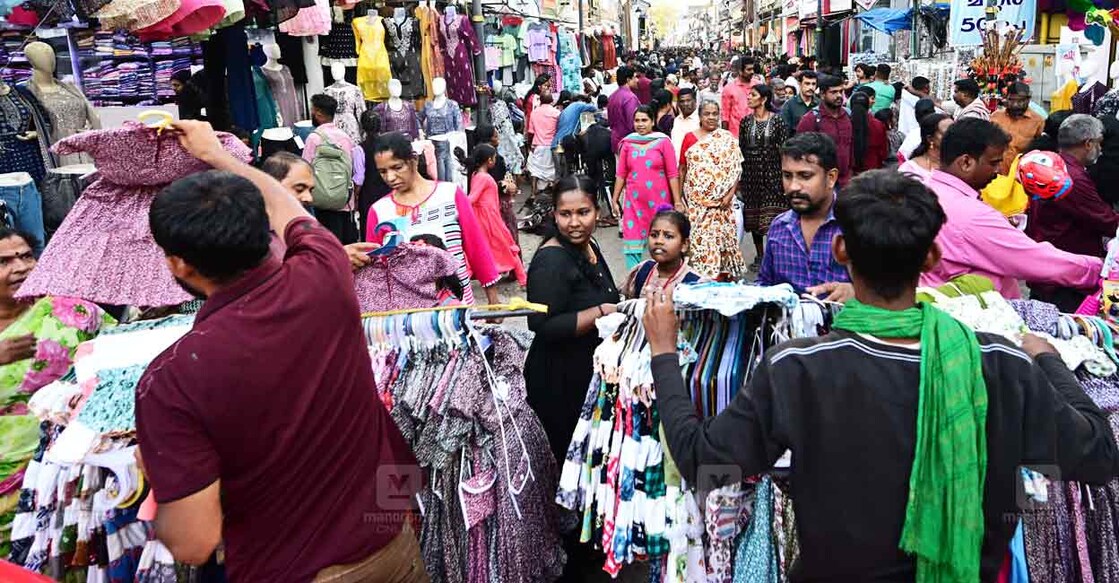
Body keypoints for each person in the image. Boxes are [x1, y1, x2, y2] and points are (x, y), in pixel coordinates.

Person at [645, 168, 1119, 582]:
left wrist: (664, 353)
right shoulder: (1002, 365)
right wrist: (1048, 359)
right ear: (931, 258)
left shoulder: (798, 369)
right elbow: (1097, 457)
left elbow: (702, 462)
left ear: (841, 250)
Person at [138, 120, 424, 582]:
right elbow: (287, 207)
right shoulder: (325, 271)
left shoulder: (170, 381)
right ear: (263, 231)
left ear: (178, 263)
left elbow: (194, 543)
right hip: (391, 547)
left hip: (292, 569)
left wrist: (157, 474)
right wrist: (218, 155)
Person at [921, 118, 1102, 298]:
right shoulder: (972, 215)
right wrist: (1099, 269)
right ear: (966, 162)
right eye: (993, 163)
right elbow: (1034, 261)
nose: (999, 171)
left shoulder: (923, 190)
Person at [525, 173, 619, 462]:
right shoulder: (551, 260)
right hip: (560, 382)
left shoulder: (589, 246)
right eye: (565, 214)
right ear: (555, 215)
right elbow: (541, 324)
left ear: (597, 212)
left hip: (585, 373)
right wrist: (602, 311)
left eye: (583, 212)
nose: (574, 222)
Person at [365, 132, 502, 305]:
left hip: (458, 308)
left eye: (397, 167)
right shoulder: (378, 211)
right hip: (407, 317)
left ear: (413, 161)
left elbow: (476, 246)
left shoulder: (450, 194)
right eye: (383, 171)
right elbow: (377, 269)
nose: (390, 177)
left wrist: (493, 297)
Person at [1026, 114, 1118, 311]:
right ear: (1088, 143)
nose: (1100, 150)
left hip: (1048, 266)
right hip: (1066, 274)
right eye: (1099, 144)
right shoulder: (1072, 178)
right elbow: (1107, 221)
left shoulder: (1054, 166)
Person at [756, 132, 853, 301]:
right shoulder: (779, 228)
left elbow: (891, 295)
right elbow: (764, 285)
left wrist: (856, 293)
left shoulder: (856, 226)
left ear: (831, 178)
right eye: (787, 176)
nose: (793, 186)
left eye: (805, 176)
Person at [678, 100, 745, 280]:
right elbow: (683, 169)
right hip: (697, 204)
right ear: (700, 116)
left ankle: (723, 281)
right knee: (701, 244)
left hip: (723, 204)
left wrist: (729, 195)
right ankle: (703, 280)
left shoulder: (727, 138)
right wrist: (679, 198)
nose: (711, 117)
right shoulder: (689, 138)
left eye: (715, 113)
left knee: (723, 243)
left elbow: (736, 169)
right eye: (707, 113)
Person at [613, 106, 682, 269]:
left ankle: (663, 280)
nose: (640, 124)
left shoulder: (663, 142)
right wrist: (615, 199)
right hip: (633, 202)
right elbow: (621, 174)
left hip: (660, 203)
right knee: (631, 245)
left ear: (652, 122)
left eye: (644, 120)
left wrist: (677, 201)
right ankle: (635, 282)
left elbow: (673, 174)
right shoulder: (627, 143)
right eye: (637, 120)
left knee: (662, 242)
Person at [735, 85, 791, 270]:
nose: (749, 97)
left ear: (764, 99)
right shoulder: (745, 122)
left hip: (773, 177)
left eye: (753, 95)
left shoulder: (778, 122)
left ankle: (775, 257)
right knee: (754, 218)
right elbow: (741, 150)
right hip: (751, 177)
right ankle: (760, 256)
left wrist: (786, 177)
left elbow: (784, 151)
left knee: (774, 219)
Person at [303, 94, 364, 244]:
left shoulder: (314, 138)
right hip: (344, 200)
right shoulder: (345, 137)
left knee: (329, 244)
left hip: (322, 201)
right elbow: (352, 168)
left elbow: (305, 168)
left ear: (317, 113)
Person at [465, 143, 526, 286]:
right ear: (489, 161)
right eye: (494, 158)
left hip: (487, 217)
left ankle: (519, 277)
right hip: (490, 219)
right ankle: (523, 278)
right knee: (509, 246)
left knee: (483, 250)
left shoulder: (476, 175)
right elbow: (472, 199)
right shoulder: (484, 178)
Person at [622, 206, 705, 297]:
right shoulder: (642, 270)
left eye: (668, 236)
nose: (659, 241)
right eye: (654, 235)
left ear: (684, 244)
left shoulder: (695, 284)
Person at [797, 74, 853, 187]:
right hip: (821, 182)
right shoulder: (811, 119)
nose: (839, 96)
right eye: (833, 92)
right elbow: (801, 152)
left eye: (841, 91)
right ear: (822, 94)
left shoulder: (848, 116)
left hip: (845, 181)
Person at [474, 124, 520, 246]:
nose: (498, 138)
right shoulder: (493, 162)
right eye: (495, 136)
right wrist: (506, 186)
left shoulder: (476, 157)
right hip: (496, 208)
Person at [990, 82, 1044, 175]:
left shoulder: (1038, 121)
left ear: (1028, 99)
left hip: (1019, 177)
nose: (1015, 104)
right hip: (994, 176)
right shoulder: (995, 116)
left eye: (1020, 101)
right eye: (1011, 100)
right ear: (1006, 98)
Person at [358, 110, 392, 235]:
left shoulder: (360, 149)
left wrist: (355, 198)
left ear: (363, 126)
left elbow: (359, 178)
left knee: (370, 228)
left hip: (368, 195)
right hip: (388, 191)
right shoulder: (389, 145)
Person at [526, 88, 561, 193]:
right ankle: (554, 193)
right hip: (552, 145)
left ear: (540, 100)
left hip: (538, 145)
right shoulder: (556, 113)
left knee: (534, 170)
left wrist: (530, 145)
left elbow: (531, 132)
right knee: (553, 171)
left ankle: (533, 192)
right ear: (551, 101)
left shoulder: (534, 113)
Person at [898, 113, 952, 181]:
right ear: (930, 139)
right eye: (948, 133)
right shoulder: (911, 170)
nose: (954, 136)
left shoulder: (960, 164)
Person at [851, 91, 888, 173]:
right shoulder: (878, 125)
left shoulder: (846, 124)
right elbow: (883, 153)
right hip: (873, 171)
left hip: (851, 172)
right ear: (868, 105)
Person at [608, 66, 641, 153]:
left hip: (616, 141)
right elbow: (633, 124)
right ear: (628, 79)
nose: (637, 80)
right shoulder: (630, 98)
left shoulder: (612, 96)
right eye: (635, 77)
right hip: (628, 144)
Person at [721, 56, 756, 138]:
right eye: (749, 69)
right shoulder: (729, 88)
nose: (752, 72)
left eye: (753, 69)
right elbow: (725, 115)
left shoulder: (758, 85)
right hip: (736, 135)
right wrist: (725, 138)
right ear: (740, 71)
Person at [670, 87, 700, 155]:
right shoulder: (677, 120)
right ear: (678, 103)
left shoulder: (701, 119)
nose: (685, 104)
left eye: (688, 100)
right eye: (682, 101)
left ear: (695, 101)